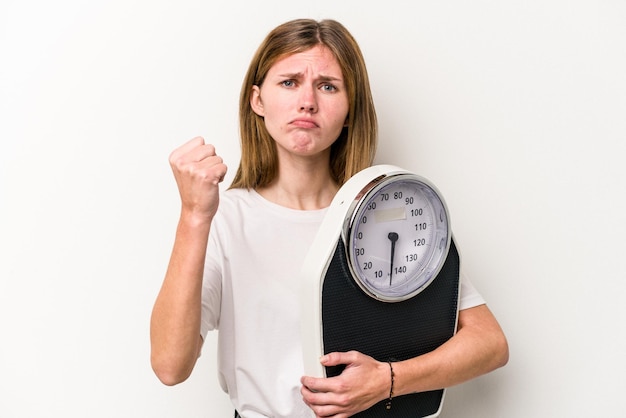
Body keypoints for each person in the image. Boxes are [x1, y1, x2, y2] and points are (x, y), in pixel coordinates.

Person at [150, 18, 509, 418]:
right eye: (288, 82)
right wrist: (194, 216)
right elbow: (169, 366)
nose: (307, 101)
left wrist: (388, 380)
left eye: (328, 86)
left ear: (350, 109)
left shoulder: (390, 211)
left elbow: (489, 342)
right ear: (257, 101)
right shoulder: (226, 218)